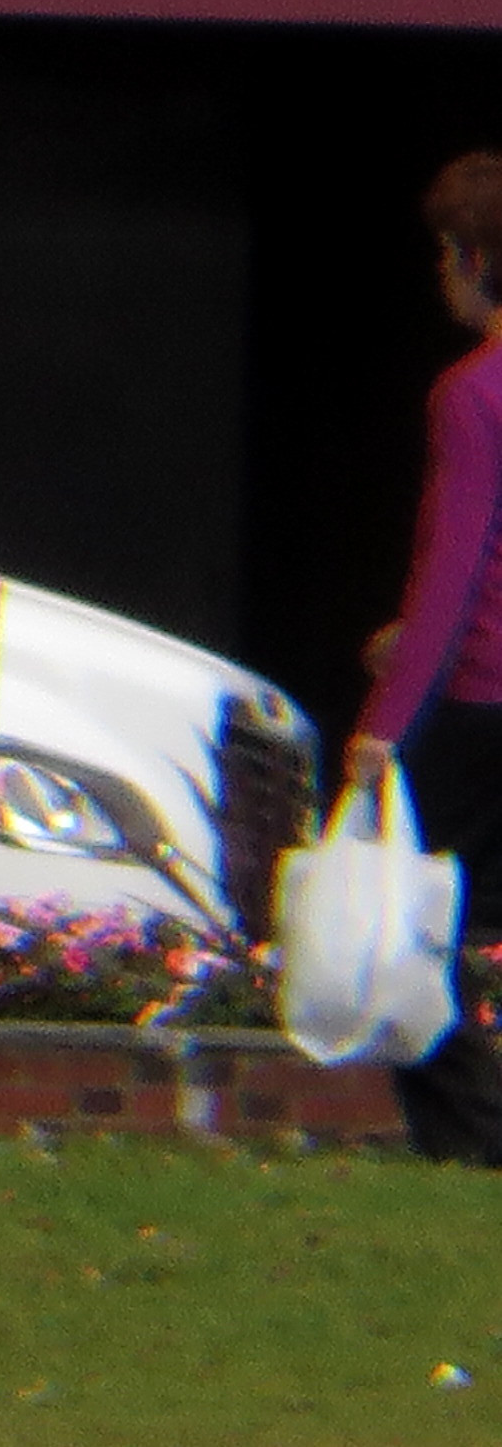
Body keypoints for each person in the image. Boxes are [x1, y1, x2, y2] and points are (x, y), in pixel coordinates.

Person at [346, 149, 502, 1162]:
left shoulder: (473, 392)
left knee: (415, 935)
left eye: (447, 252)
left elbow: (455, 569)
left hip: (484, 705)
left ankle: (473, 1142)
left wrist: (385, 722)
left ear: (473, 256)